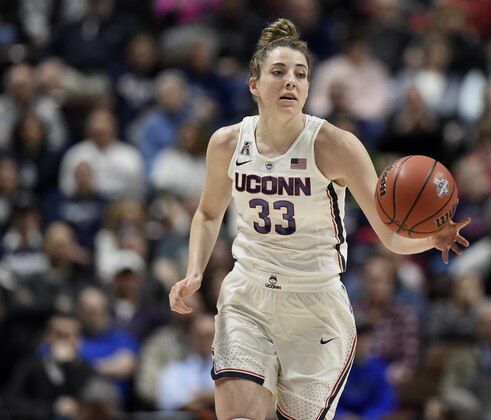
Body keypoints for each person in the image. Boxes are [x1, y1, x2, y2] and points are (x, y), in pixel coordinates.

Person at [168, 18, 471, 420]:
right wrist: (195, 273)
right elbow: (207, 213)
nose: (291, 81)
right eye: (278, 72)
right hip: (248, 295)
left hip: (315, 304)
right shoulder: (226, 142)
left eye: (301, 74)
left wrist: (432, 239)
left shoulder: (336, 145)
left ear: (309, 88)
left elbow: (390, 236)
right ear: (254, 84)